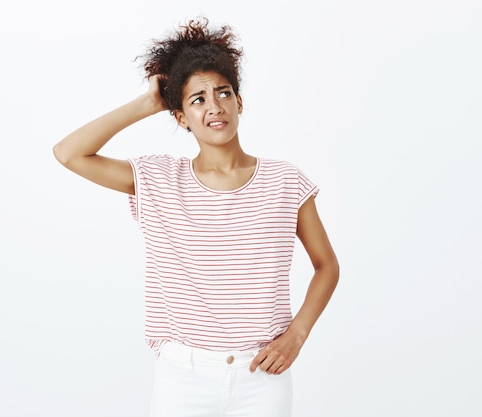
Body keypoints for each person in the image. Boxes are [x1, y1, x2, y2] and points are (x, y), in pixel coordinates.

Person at [53, 17, 339, 417]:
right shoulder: (159, 179)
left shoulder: (285, 181)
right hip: (183, 379)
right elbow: (69, 153)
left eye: (223, 93)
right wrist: (149, 102)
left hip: (263, 375)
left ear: (240, 102)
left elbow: (326, 266)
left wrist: (297, 336)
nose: (214, 106)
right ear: (180, 117)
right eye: (197, 99)